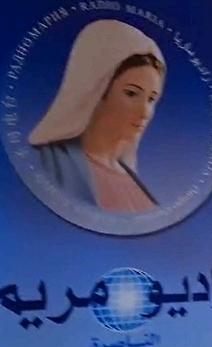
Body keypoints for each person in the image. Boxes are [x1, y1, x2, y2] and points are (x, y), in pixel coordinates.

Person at [28, 20, 165, 213]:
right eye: (131, 93)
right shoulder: (46, 165)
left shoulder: (138, 190)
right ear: (97, 91)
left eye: (151, 99)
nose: (144, 112)